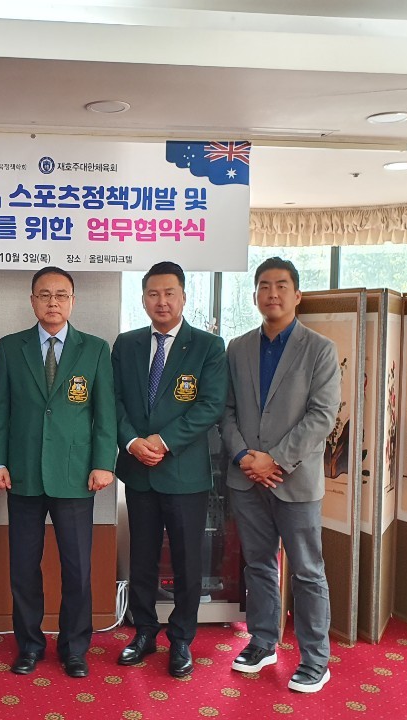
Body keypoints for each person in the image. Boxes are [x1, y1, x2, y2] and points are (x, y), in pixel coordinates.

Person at [0, 266, 117, 679]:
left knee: (77, 568)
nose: (53, 302)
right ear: (32, 301)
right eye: (44, 295)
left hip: (76, 474)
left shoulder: (94, 349)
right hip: (23, 473)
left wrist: (103, 463)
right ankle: (29, 645)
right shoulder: (11, 347)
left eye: (61, 295)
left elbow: (105, 414)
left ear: (73, 301)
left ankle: (74, 648)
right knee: (24, 567)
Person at [218, 256, 340, 694]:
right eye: (264, 286)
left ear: (297, 295)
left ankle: (315, 660)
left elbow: (322, 416)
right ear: (254, 295)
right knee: (258, 565)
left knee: (307, 571)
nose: (272, 293)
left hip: (295, 480)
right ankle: (263, 642)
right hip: (246, 477)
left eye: (281, 286)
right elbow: (225, 411)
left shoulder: (320, 349)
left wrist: (275, 460)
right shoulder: (237, 348)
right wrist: (243, 457)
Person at [111, 261, 227, 677]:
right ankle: (144, 632)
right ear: (143, 299)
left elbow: (210, 405)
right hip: (138, 470)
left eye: (169, 293)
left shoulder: (208, 346)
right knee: (141, 559)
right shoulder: (126, 344)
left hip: (184, 473)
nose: (162, 301)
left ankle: (181, 640)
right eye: (153, 294)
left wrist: (162, 441)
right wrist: (131, 441)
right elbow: (113, 400)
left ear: (183, 297)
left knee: (186, 562)